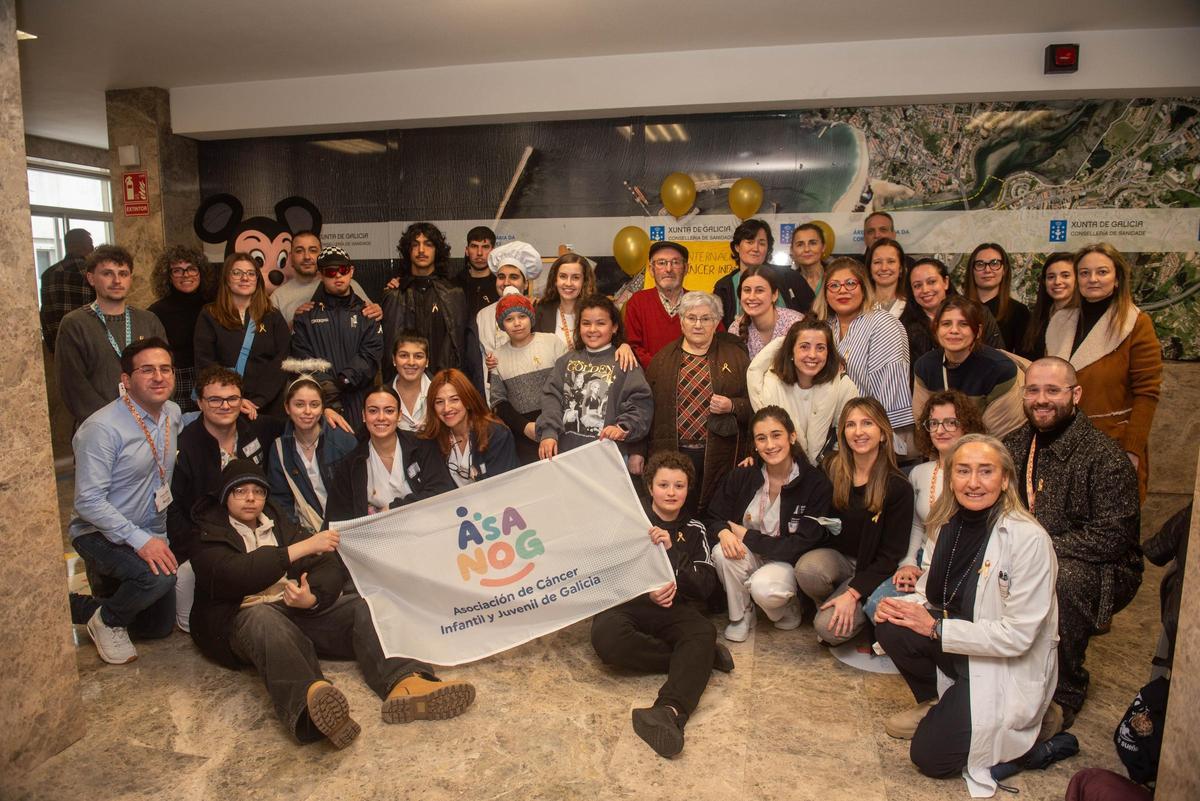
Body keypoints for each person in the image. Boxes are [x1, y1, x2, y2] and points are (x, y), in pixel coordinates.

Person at [189, 459, 474, 749]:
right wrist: (301, 548)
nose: (250, 498)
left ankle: (408, 682)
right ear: (225, 496)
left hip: (292, 609)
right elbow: (237, 574)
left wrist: (312, 598)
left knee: (366, 603)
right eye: (240, 491)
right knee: (263, 618)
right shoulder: (208, 533)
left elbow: (327, 564)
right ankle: (313, 704)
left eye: (257, 491)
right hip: (241, 618)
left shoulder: (275, 520)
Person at [874, 435, 1059, 798]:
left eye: (985, 471)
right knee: (890, 625)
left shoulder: (1028, 540)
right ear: (950, 477)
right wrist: (900, 608)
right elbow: (933, 594)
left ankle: (1041, 723)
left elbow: (1017, 637)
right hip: (964, 648)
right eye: (963, 471)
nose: (973, 482)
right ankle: (940, 702)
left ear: (1005, 479)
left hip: (1003, 665)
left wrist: (937, 629)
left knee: (929, 757)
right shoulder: (949, 523)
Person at [1002, 357, 1142, 727]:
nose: (1041, 399)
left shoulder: (1105, 456)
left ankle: (1063, 694)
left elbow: (1112, 537)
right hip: (1027, 554)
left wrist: (1038, 551)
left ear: (1075, 394)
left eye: (1053, 390)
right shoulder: (1014, 446)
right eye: (1033, 390)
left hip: (1099, 567)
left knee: (1063, 579)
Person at [590, 451, 732, 758]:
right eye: (663, 484)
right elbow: (608, 572)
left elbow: (705, 585)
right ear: (650, 487)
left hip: (676, 607)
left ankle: (669, 711)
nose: (671, 492)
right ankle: (697, 660)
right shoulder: (630, 518)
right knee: (606, 638)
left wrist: (671, 553)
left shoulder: (694, 528)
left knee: (702, 633)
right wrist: (646, 592)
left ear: (687, 489)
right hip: (632, 603)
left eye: (679, 486)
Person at [68, 338, 182, 664]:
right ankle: (107, 620)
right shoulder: (102, 429)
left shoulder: (171, 413)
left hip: (149, 526)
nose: (158, 377)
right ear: (126, 380)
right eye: (147, 370)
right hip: (99, 534)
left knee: (158, 627)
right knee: (158, 577)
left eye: (165, 369)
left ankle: (78, 607)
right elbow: (87, 502)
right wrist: (141, 541)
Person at [167, 365, 283, 632]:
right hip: (205, 544)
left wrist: (326, 412)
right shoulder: (185, 446)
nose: (224, 406)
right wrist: (193, 548)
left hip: (254, 533)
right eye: (215, 399)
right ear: (200, 402)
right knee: (192, 624)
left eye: (232, 398)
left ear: (242, 401)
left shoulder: (257, 429)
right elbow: (173, 507)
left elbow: (300, 422)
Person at [1044, 243, 1162, 501]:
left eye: (1102, 272)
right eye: (1084, 273)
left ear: (1117, 278)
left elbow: (1147, 393)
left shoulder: (1136, 323)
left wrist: (1132, 450)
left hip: (1112, 445)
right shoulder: (1060, 322)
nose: (1092, 279)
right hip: (1062, 445)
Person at [706, 406, 833, 641]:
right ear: (754, 444)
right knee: (722, 552)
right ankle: (742, 614)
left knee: (765, 589)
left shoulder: (815, 483)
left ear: (792, 437)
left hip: (786, 562)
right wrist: (724, 532)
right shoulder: (743, 474)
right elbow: (714, 517)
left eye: (776, 435)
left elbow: (802, 545)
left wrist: (746, 536)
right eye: (761, 438)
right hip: (749, 555)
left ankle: (788, 605)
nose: (770, 445)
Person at [796, 397, 911, 645]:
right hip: (840, 561)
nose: (858, 432)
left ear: (882, 433)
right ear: (842, 433)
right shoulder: (831, 469)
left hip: (874, 570)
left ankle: (844, 607)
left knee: (827, 630)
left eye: (867, 423)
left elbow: (891, 556)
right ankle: (830, 604)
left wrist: (853, 593)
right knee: (808, 569)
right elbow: (795, 479)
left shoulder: (898, 486)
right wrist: (754, 463)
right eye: (850, 425)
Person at [863, 389, 985, 623]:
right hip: (923, 560)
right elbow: (917, 525)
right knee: (877, 606)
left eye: (951, 422)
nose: (940, 430)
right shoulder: (919, 473)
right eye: (934, 423)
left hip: (966, 568)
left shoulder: (980, 474)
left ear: (967, 426)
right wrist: (908, 563)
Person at [643, 291, 750, 512]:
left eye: (706, 318)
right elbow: (648, 413)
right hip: (674, 453)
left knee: (717, 512)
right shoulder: (662, 360)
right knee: (677, 513)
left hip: (722, 453)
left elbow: (754, 405)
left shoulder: (736, 356)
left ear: (717, 321)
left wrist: (732, 405)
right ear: (681, 321)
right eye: (691, 318)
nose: (698, 324)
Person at [55, 244, 168, 426]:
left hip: (148, 424)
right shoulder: (75, 324)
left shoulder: (148, 320)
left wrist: (150, 413)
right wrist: (115, 422)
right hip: (100, 428)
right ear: (91, 278)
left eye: (123, 274)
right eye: (107, 273)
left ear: (130, 278)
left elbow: (165, 372)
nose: (117, 280)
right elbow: (73, 386)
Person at [812, 257, 914, 455]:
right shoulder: (825, 327)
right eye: (834, 285)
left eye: (850, 283)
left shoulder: (883, 324)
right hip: (833, 442)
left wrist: (878, 437)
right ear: (825, 293)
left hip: (874, 440)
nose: (842, 290)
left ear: (864, 287)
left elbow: (889, 390)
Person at [536, 295, 653, 461]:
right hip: (565, 454)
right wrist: (548, 432)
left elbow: (641, 404)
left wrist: (623, 427)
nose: (592, 329)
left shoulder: (625, 362)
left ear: (614, 327)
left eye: (600, 323)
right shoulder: (566, 361)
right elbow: (551, 397)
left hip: (607, 457)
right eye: (586, 323)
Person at [325, 386, 455, 521]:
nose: (381, 417)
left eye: (389, 411)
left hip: (427, 528)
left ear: (399, 415)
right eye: (373, 411)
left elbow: (442, 490)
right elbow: (337, 518)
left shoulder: (423, 446)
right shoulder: (350, 465)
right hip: (379, 538)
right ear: (364, 416)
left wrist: (393, 508)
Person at [290, 246, 384, 433]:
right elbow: (302, 358)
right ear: (320, 275)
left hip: (360, 401)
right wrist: (328, 388)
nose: (338, 276)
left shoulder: (368, 313)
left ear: (351, 271)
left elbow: (372, 354)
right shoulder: (305, 317)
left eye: (343, 270)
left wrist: (344, 379)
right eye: (331, 272)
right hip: (320, 404)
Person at [747, 317, 860, 466]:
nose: (812, 355)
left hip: (830, 469)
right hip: (782, 467)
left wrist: (830, 465)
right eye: (804, 347)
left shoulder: (843, 386)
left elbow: (847, 436)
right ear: (791, 352)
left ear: (828, 353)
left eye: (820, 348)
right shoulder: (771, 385)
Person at [195, 252, 292, 418]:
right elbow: (205, 362)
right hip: (224, 404)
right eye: (237, 273)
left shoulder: (272, 316)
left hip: (268, 406)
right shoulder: (209, 315)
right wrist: (234, 398)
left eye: (250, 273)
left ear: (257, 279)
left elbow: (283, 360)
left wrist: (259, 400)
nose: (244, 278)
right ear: (226, 278)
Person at [911, 295, 1024, 437]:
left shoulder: (1000, 370)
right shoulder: (925, 366)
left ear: (978, 331)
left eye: (963, 324)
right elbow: (924, 424)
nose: (954, 330)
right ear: (935, 329)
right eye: (946, 324)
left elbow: (998, 435)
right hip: (942, 450)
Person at [267, 370, 357, 534]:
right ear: (287, 407)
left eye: (314, 405)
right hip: (305, 533)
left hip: (346, 529)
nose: (307, 411)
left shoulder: (343, 441)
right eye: (299, 404)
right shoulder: (280, 448)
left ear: (323, 408)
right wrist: (299, 536)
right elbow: (281, 502)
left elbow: (356, 494)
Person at [488, 290, 566, 464]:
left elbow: (567, 385)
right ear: (502, 325)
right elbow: (498, 402)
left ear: (531, 317)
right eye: (509, 319)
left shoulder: (551, 342)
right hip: (524, 434)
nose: (517, 323)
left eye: (522, 316)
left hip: (559, 426)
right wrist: (525, 427)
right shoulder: (497, 357)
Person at [382, 222, 470, 377]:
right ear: (408, 251)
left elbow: (460, 349)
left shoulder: (453, 295)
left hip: (444, 384)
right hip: (404, 384)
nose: (421, 250)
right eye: (415, 245)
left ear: (437, 251)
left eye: (428, 244)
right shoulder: (395, 294)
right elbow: (389, 348)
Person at [420, 368, 518, 486]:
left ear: (467, 401)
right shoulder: (433, 439)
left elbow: (503, 487)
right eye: (439, 402)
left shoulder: (495, 434)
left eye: (454, 400)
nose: (446, 408)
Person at [900, 257, 1005, 366]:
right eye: (917, 286)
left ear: (945, 282)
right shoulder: (903, 328)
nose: (925, 290)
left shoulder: (979, 313)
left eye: (931, 282)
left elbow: (999, 358)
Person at [149, 245, 215, 413]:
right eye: (177, 271)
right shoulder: (156, 311)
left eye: (191, 269)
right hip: (178, 381)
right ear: (168, 277)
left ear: (201, 272)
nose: (186, 275)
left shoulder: (216, 304)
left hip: (214, 375)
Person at [712, 218, 813, 328]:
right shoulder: (723, 287)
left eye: (762, 243)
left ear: (767, 248)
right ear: (737, 247)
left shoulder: (788, 277)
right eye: (749, 242)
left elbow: (812, 315)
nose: (755, 248)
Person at [270, 230, 378, 327]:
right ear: (290, 257)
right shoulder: (278, 297)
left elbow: (371, 317)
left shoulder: (346, 284)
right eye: (299, 251)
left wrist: (377, 311)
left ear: (321, 254)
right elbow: (271, 339)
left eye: (313, 250)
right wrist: (297, 322)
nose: (307, 256)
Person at [474, 240, 542, 381]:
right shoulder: (483, 315)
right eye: (501, 277)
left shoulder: (537, 311)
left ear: (526, 283)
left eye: (514, 277)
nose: (506, 282)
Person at [624, 240, 692, 368]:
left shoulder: (700, 303)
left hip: (692, 381)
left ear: (686, 268)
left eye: (676, 262)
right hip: (649, 383)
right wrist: (663, 369)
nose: (668, 269)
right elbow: (632, 347)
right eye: (661, 263)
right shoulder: (637, 302)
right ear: (651, 269)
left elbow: (716, 344)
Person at [963, 242, 1032, 352]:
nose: (987, 270)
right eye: (980, 264)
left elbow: (1025, 358)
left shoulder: (1019, 311)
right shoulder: (957, 308)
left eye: (995, 263)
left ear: (1004, 270)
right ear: (972, 270)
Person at [727, 266, 805, 359]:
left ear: (774, 295)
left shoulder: (796, 323)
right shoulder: (735, 330)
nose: (751, 297)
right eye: (747, 290)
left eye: (759, 290)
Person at [39, 227, 95, 351]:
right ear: (87, 247)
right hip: (89, 346)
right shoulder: (92, 273)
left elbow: (44, 314)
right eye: (91, 244)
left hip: (59, 346)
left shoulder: (47, 275)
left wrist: (52, 346)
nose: (93, 249)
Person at [1020, 252, 1075, 360]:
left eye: (1065, 275)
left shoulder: (1084, 318)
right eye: (1051, 277)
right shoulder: (1037, 319)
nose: (1057, 282)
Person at [533, 252, 594, 350]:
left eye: (576, 277)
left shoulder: (596, 312)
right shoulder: (541, 310)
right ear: (555, 280)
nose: (568, 283)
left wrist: (623, 346)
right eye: (563, 276)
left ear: (584, 281)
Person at [390, 333, 432, 432]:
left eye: (418, 356)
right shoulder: (382, 396)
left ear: (427, 362)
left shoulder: (440, 392)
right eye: (404, 355)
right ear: (394, 359)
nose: (411, 362)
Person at [456, 225, 498, 317]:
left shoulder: (501, 286)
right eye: (474, 246)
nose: (479, 253)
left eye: (485, 247)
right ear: (467, 250)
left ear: (493, 251)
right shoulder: (453, 285)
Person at [866, 237, 907, 318]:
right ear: (869, 268)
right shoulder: (858, 306)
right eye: (877, 262)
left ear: (901, 268)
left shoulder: (912, 308)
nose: (884, 268)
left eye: (891, 261)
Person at [789, 223, 826, 293]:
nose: (806, 249)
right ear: (792, 250)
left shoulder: (835, 277)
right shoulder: (787, 283)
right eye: (800, 244)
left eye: (813, 243)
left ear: (823, 247)